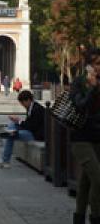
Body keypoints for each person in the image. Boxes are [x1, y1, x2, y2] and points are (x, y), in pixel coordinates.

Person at [70, 48, 100, 224]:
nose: (99, 68)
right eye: (97, 64)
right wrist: (92, 89)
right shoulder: (79, 82)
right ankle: (96, 217)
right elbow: (80, 106)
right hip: (81, 138)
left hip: (98, 137)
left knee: (86, 182)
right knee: (98, 178)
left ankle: (79, 217)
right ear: (89, 66)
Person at [0, 90, 45, 169]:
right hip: (31, 130)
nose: (22, 105)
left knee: (11, 135)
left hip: (35, 135)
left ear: (28, 100)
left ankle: (5, 160)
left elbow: (32, 127)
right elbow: (28, 123)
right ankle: (10, 131)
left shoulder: (37, 109)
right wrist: (17, 122)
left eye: (23, 103)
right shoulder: (30, 107)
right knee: (12, 125)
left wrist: (19, 121)